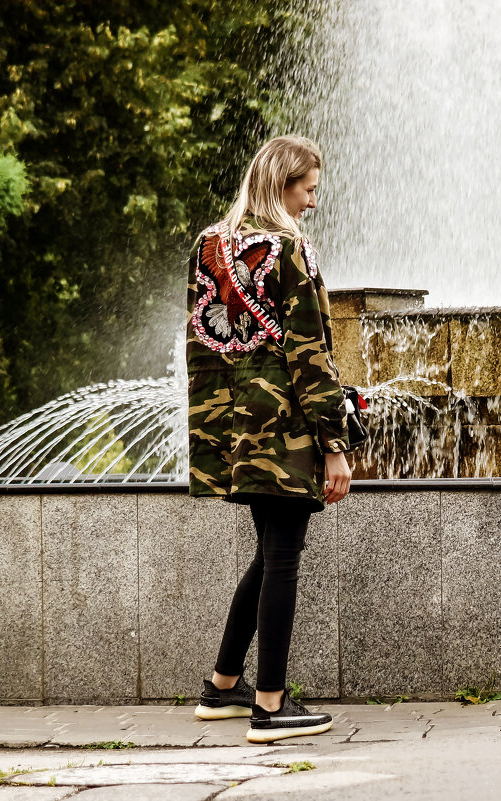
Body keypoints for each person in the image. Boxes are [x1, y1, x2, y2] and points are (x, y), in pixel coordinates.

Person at [186, 135, 352, 743]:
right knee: (283, 559)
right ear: (283, 183)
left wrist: (214, 437)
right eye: (308, 189)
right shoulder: (289, 249)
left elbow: (202, 347)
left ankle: (222, 688)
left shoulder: (210, 244)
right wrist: (333, 444)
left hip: (233, 428)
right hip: (284, 431)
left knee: (269, 553)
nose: (312, 201)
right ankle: (270, 707)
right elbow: (309, 353)